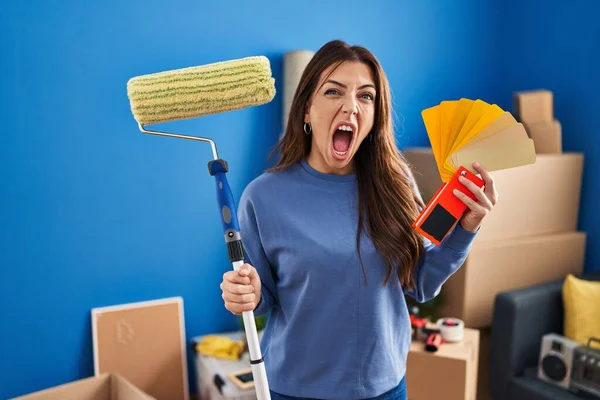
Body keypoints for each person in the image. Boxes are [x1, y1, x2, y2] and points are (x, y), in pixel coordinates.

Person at [220, 39, 498, 400]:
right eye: (334, 91)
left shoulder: (395, 185)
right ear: (306, 108)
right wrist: (247, 293)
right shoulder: (263, 196)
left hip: (384, 389)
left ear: (374, 115)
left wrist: (467, 228)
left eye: (365, 96)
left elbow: (421, 283)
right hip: (293, 390)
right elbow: (263, 298)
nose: (350, 107)